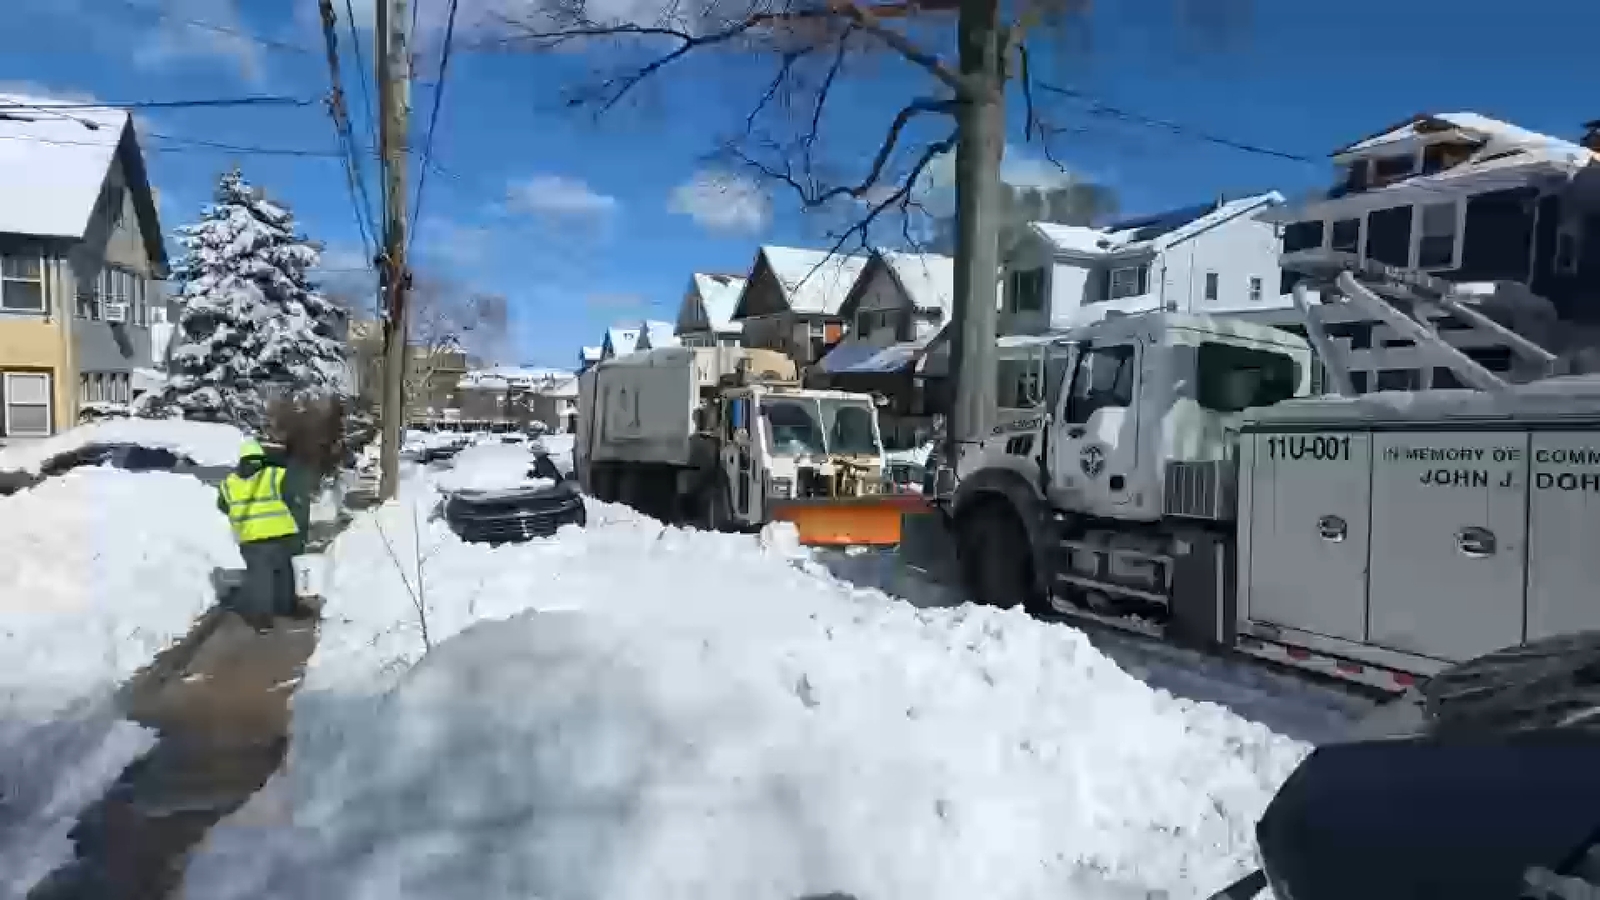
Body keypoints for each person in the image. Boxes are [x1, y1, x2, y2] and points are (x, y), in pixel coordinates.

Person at [217, 439, 305, 632]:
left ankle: (262, 619)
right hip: (279, 533)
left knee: (260, 577)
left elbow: (223, 506)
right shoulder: (274, 474)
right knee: (283, 572)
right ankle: (286, 609)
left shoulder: (228, 484)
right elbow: (291, 495)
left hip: (251, 537)